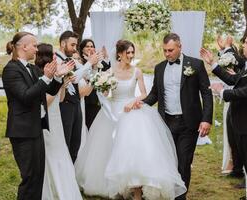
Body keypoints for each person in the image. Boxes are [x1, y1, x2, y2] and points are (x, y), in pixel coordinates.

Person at [75, 40, 186, 200]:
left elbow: (143, 93)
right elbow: (105, 95)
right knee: (107, 147)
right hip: (111, 113)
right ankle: (112, 184)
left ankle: (136, 189)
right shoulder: (110, 71)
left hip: (131, 111)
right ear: (119, 54)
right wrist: (104, 87)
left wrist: (133, 102)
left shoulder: (137, 72)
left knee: (133, 150)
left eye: (132, 52)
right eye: (128, 53)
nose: (131, 56)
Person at [135, 33, 213, 200]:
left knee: (184, 161)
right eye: (164, 51)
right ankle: (171, 191)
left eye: (170, 50)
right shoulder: (159, 68)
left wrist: (206, 119)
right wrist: (141, 104)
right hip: (166, 122)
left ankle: (180, 197)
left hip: (188, 122)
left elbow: (207, 94)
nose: (167, 54)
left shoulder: (196, 65)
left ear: (180, 47)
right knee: (169, 160)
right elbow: (155, 94)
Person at [200, 32, 247, 200]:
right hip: (245, 127)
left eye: (246, 42)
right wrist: (212, 64)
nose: (243, 45)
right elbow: (235, 80)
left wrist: (223, 92)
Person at [2, 32, 64, 200]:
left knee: (38, 176)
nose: (36, 49)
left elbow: (49, 89)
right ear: (24, 47)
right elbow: (25, 96)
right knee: (29, 177)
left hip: (36, 128)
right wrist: (45, 77)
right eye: (34, 45)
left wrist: (57, 77)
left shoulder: (31, 68)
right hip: (22, 132)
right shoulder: (11, 69)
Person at [35, 43, 82, 200]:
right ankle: (51, 188)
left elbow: (60, 100)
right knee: (51, 154)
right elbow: (45, 103)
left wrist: (62, 86)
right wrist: (57, 83)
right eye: (53, 55)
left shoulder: (54, 75)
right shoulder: (42, 77)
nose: (56, 57)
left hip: (56, 120)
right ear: (48, 56)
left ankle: (64, 187)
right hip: (47, 121)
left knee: (61, 151)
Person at [55, 31, 99, 163]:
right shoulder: (56, 59)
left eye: (76, 45)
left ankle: (72, 172)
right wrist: (88, 63)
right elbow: (74, 79)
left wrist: (94, 65)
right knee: (66, 142)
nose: (75, 48)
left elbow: (88, 75)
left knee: (76, 142)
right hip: (64, 106)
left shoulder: (71, 60)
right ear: (63, 43)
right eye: (72, 45)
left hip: (76, 105)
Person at [216, 35, 244, 177]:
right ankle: (236, 167)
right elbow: (226, 70)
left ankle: (238, 166)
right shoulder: (230, 59)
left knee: (237, 136)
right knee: (231, 136)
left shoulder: (241, 61)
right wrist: (223, 49)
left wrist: (227, 47)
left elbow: (233, 76)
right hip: (229, 100)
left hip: (237, 100)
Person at [78, 39, 111, 129]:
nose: (90, 48)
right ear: (82, 49)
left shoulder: (97, 60)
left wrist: (106, 57)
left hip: (98, 95)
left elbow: (106, 67)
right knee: (88, 123)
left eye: (92, 46)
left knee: (97, 124)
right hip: (86, 95)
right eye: (87, 46)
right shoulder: (81, 62)